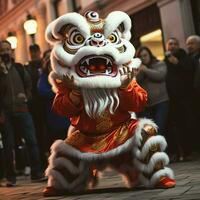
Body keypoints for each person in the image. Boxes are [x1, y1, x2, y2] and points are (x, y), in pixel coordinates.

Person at [0, 40, 43, 186]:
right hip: (6, 113)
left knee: (31, 141)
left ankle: (36, 173)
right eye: (2, 50)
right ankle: (11, 178)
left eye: (7, 49)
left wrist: (27, 97)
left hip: (23, 110)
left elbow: (29, 85)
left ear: (11, 51)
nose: (5, 52)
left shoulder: (19, 67)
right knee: (9, 146)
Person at [165, 37, 196, 161]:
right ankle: (182, 153)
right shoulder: (165, 60)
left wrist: (177, 63)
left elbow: (190, 72)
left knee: (189, 123)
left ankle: (193, 151)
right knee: (177, 127)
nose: (172, 46)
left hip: (186, 97)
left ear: (178, 45)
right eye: (170, 44)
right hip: (172, 99)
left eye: (174, 44)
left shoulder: (185, 57)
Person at [38, 49, 70, 150]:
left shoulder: (63, 75)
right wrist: (59, 90)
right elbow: (43, 92)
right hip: (54, 118)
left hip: (67, 117)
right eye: (50, 65)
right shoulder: (43, 79)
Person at [136, 46, 169, 136]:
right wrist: (138, 72)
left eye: (145, 55)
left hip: (161, 102)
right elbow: (135, 83)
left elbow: (160, 76)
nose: (143, 58)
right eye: (141, 56)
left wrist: (146, 70)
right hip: (147, 106)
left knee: (159, 128)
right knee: (151, 132)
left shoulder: (159, 64)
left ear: (150, 55)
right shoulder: (139, 69)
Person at [25, 44, 46, 170]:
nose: (34, 54)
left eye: (35, 51)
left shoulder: (43, 66)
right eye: (32, 52)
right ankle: (42, 163)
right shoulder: (28, 68)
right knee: (38, 134)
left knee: (45, 133)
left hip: (43, 105)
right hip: (35, 106)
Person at [186, 35, 200, 154]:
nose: (189, 46)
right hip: (193, 95)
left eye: (192, 43)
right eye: (188, 44)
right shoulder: (188, 59)